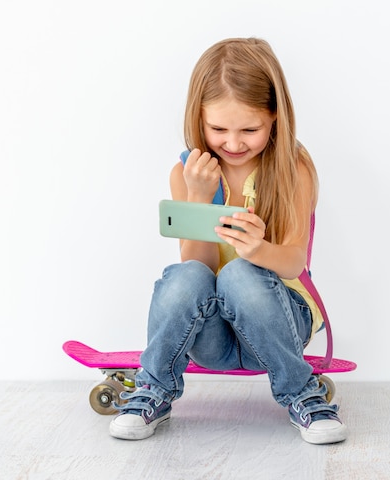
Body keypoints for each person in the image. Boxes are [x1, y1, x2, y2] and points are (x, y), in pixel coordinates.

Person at [109, 37, 348, 445]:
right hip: (211, 335)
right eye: (218, 128)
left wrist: (258, 251)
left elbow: (293, 263)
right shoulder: (188, 173)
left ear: (275, 117)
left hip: (279, 323)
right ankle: (154, 389)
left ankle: (301, 392)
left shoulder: (292, 168)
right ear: (198, 119)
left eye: (249, 129)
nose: (234, 143)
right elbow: (195, 268)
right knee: (183, 277)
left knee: (240, 273)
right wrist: (199, 197)